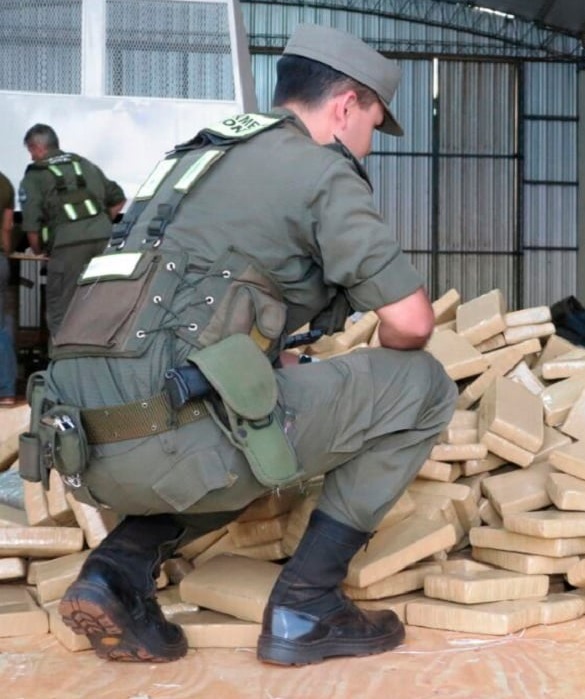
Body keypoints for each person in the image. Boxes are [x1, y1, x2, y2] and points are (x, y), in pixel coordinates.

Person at [47, 24, 455, 666]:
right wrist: (377, 345)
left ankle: (115, 573)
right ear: (346, 105)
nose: (369, 145)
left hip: (81, 447)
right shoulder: (318, 170)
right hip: (167, 441)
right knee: (422, 385)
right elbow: (413, 322)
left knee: (246, 410)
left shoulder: (195, 156)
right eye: (374, 125)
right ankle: (309, 605)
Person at [17, 124, 126, 339]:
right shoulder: (84, 164)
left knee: (62, 308)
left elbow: (31, 226)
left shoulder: (35, 175)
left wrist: (39, 251)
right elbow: (119, 199)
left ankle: (63, 355)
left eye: (31, 151)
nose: (31, 157)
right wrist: (102, 223)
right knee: (101, 302)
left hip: (66, 248)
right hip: (104, 242)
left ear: (37, 148)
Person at [0, 171, 17, 405]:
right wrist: (6, 251)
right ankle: (6, 391)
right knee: (1, 329)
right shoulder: (3, 182)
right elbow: (7, 226)